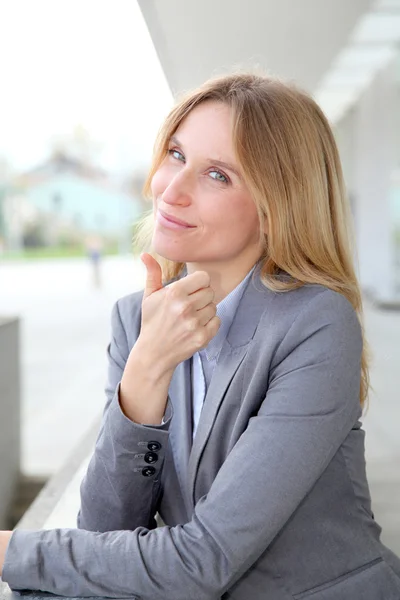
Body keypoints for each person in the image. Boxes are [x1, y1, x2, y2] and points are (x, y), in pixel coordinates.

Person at [1, 72, 400, 600]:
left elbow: (205, 559)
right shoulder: (135, 317)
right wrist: (146, 369)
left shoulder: (315, 323)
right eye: (175, 154)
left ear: (277, 206)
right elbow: (104, 533)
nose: (172, 189)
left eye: (217, 175)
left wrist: (9, 551)